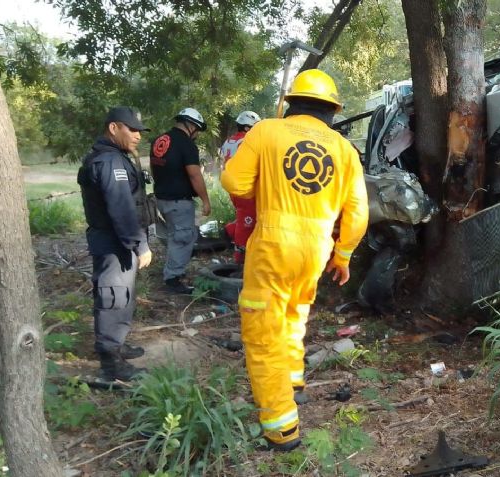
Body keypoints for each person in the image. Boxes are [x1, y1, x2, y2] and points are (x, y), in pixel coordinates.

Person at [221, 69, 369, 451]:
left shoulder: (266, 131)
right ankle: (293, 381)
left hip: (273, 242)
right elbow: (358, 212)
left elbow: (235, 183)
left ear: (292, 104)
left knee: (263, 331)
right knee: (292, 315)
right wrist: (344, 255)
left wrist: (267, 184)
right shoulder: (345, 150)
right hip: (316, 249)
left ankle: (281, 426)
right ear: (332, 110)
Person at [78, 106, 152, 381]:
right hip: (113, 241)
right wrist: (139, 244)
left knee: (122, 296)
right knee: (113, 297)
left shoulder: (116, 157)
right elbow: (121, 208)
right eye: (131, 129)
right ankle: (111, 364)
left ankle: (116, 345)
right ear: (113, 128)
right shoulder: (109, 162)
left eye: (139, 131)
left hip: (118, 240)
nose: (137, 136)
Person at [150, 107, 211, 294]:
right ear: (191, 125)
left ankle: (171, 270)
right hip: (178, 201)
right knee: (183, 239)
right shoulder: (186, 144)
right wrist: (205, 200)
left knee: (174, 236)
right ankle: (173, 280)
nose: (197, 134)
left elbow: (154, 168)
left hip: (161, 198)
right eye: (198, 130)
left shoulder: (160, 140)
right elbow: (194, 175)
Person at [220, 110, 261, 263]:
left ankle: (229, 231)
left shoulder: (228, 142)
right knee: (248, 222)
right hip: (246, 189)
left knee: (244, 216)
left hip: (233, 188)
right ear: (247, 127)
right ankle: (240, 257)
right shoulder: (246, 142)